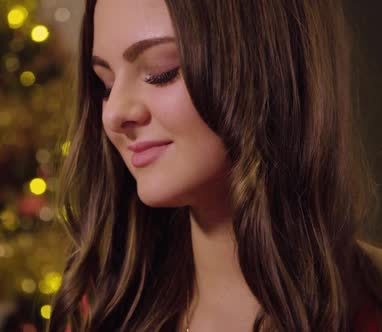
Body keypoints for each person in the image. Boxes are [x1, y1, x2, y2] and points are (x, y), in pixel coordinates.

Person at [48, 0, 382, 331]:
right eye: (105, 85)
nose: (113, 114)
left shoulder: (368, 303)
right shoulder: (103, 310)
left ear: (267, 67)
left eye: (161, 72)